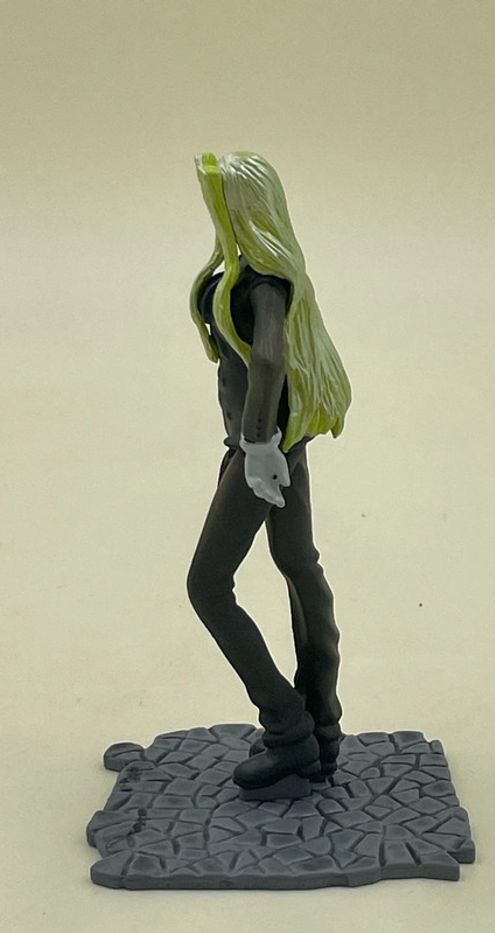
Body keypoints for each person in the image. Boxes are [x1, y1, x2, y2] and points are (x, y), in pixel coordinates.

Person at [186, 152, 351, 800]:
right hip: (276, 445)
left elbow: (271, 360)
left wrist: (257, 446)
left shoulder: (263, 283)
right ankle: (321, 723)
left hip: (265, 451)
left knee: (207, 585)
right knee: (298, 564)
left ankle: (289, 728)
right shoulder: (249, 275)